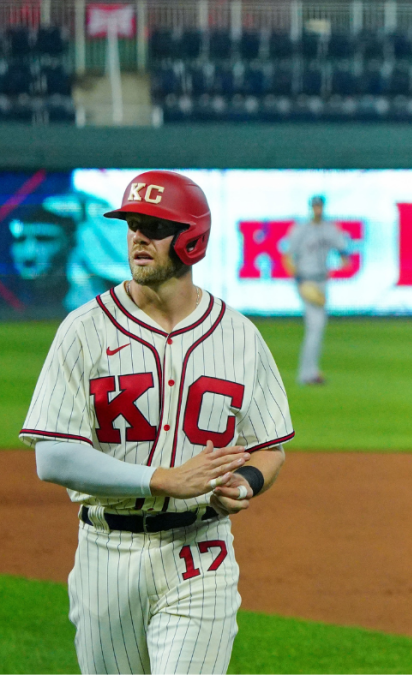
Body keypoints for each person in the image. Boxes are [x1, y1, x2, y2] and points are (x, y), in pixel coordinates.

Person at [19, 170, 294, 675]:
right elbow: (52, 457)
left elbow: (268, 446)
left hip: (200, 552)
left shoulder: (238, 336)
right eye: (132, 224)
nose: (138, 237)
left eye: (154, 225)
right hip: (106, 553)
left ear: (191, 241)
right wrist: (158, 480)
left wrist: (246, 481)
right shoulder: (83, 329)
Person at [281, 195, 349, 386]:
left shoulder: (330, 229)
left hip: (322, 281)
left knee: (318, 328)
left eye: (320, 206)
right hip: (307, 280)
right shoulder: (301, 230)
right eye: (315, 206)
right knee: (315, 327)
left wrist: (338, 266)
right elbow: (287, 257)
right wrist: (300, 281)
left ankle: (311, 371)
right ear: (311, 208)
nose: (318, 209)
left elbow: (344, 254)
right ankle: (306, 374)